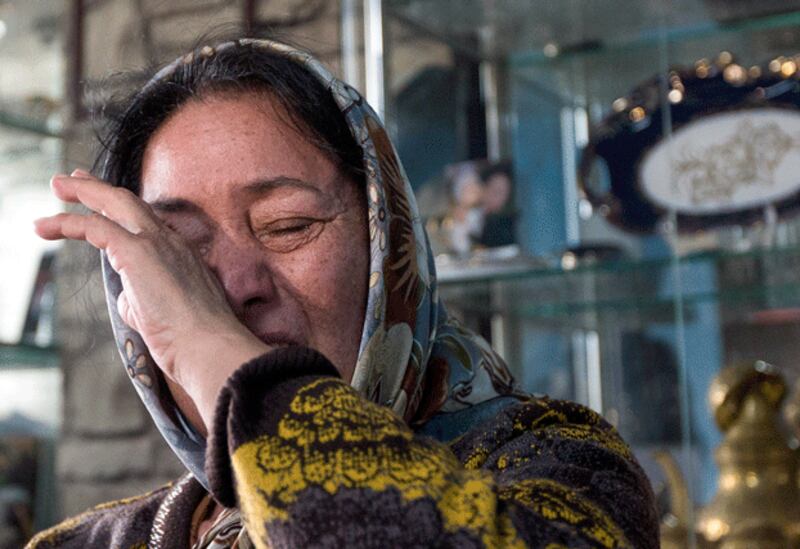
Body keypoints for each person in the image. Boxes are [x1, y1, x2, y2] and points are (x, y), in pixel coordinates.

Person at [28, 38, 659, 548]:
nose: (235, 290)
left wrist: (228, 365)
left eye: (288, 226)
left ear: (390, 244)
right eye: (180, 255)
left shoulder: (567, 473)